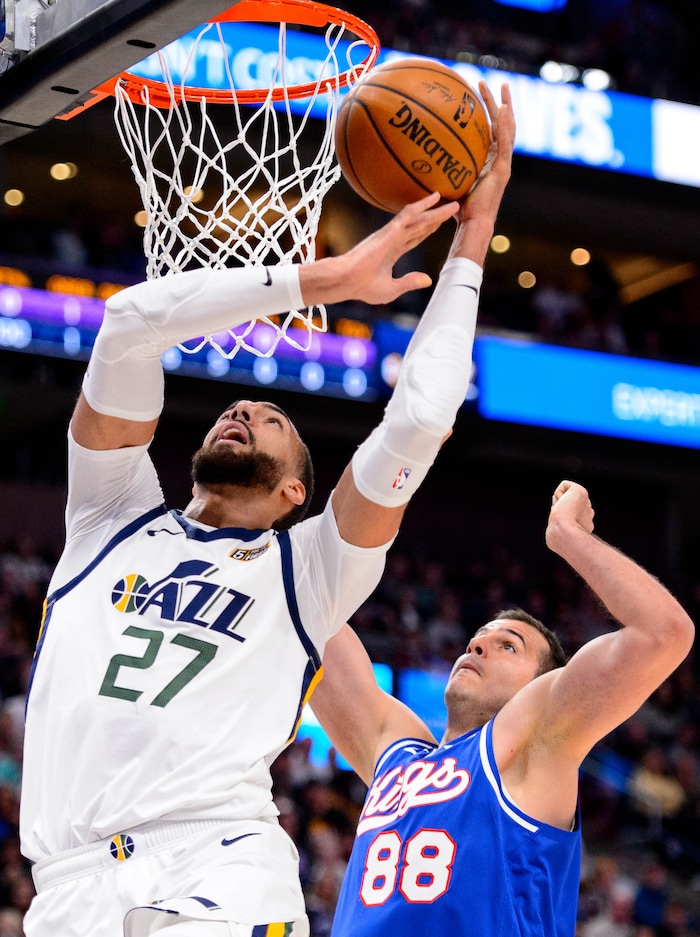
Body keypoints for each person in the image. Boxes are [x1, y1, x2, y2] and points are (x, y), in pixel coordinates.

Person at [18, 82, 515, 937]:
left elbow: (423, 418)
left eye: (274, 421)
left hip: (222, 866)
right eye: (236, 411)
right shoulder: (107, 518)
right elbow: (130, 322)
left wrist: (473, 235)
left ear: (297, 493)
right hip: (68, 888)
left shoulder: (309, 568)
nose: (244, 412)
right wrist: (329, 277)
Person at [311, 481, 695, 937]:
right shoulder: (395, 754)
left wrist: (569, 536)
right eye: (478, 637)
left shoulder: (532, 744)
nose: (477, 644)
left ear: (542, 686)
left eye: (507, 646)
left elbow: (663, 633)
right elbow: (310, 619)